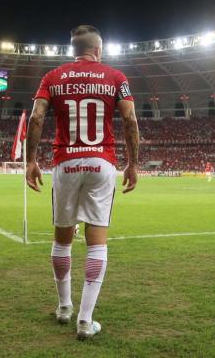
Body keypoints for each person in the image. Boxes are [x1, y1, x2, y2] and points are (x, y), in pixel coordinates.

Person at [25, 25, 139, 340]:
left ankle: (64, 308)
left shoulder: (52, 78)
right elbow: (129, 120)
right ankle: (86, 321)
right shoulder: (117, 78)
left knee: (62, 240)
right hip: (102, 163)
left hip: (66, 162)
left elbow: (36, 118)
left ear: (72, 50)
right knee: (96, 242)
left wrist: (31, 161)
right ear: (98, 50)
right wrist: (133, 163)